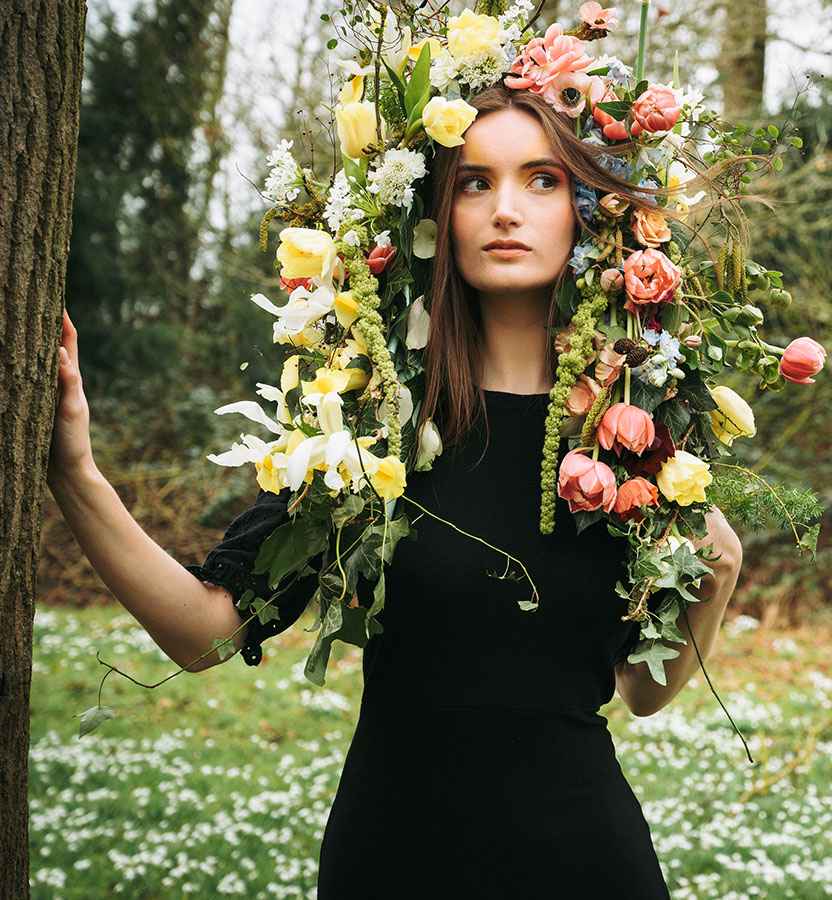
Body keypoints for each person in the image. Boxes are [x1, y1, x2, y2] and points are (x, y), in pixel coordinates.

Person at [48, 82, 743, 898]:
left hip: (585, 863)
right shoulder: (376, 425)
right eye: (474, 182)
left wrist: (717, 573)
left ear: (592, 209)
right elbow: (203, 636)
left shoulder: (632, 432)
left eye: (543, 179)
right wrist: (76, 476)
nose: (506, 209)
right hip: (395, 858)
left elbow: (642, 689)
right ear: (435, 213)